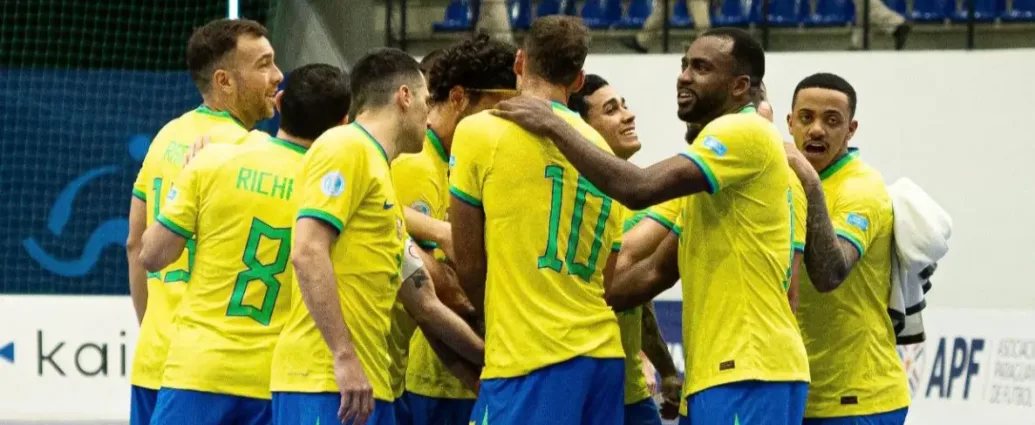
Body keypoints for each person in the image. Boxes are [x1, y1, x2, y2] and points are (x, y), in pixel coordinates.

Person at [491, 28, 810, 425]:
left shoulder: (743, 131)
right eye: (684, 65)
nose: (684, 76)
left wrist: (555, 125)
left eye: (701, 67)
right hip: (724, 371)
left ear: (740, 86)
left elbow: (638, 188)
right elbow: (655, 272)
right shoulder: (712, 180)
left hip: (750, 370)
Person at [134, 63, 347, 424]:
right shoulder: (330, 189)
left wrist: (185, 181)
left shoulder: (214, 160)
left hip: (197, 370)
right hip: (276, 381)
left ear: (279, 103)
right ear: (343, 124)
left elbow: (151, 255)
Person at [449, 16, 627, 425]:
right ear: (579, 81)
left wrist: (490, 313)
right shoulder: (601, 152)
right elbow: (609, 276)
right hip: (602, 358)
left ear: (519, 61)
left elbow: (469, 262)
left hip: (531, 356)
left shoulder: (481, 131)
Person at [125, 18, 282, 425]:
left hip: (153, 359)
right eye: (264, 65)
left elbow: (134, 245)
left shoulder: (166, 135)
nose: (277, 77)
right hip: (217, 371)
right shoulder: (252, 150)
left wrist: (152, 329)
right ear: (225, 81)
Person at [268, 48, 431, 425]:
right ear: (404, 96)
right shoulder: (346, 147)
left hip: (368, 384)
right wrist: (343, 357)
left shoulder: (378, 166)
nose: (429, 112)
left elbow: (418, 294)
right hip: (327, 383)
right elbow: (307, 252)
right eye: (427, 99)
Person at [394, 34, 519, 425]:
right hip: (435, 379)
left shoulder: (463, 162)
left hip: (461, 368)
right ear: (460, 98)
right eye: (500, 108)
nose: (509, 120)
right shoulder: (416, 163)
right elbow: (432, 282)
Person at [784, 73, 910, 425]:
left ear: (851, 130)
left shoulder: (862, 188)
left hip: (859, 400)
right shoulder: (780, 179)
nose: (817, 130)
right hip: (799, 394)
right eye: (807, 118)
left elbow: (829, 274)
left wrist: (807, 180)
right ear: (790, 122)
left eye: (832, 120)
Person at [567, 74, 683, 425]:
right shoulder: (573, 196)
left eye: (625, 105)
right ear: (583, 129)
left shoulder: (637, 198)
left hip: (631, 389)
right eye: (611, 109)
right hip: (581, 379)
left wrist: (666, 369)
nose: (628, 115)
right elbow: (616, 277)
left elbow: (640, 301)